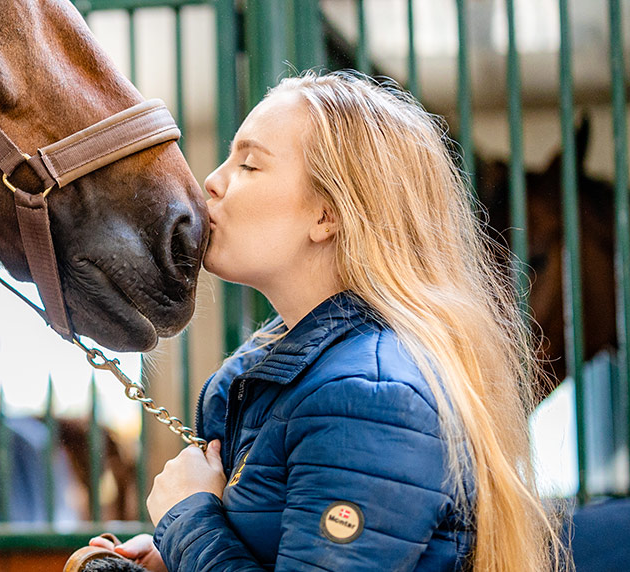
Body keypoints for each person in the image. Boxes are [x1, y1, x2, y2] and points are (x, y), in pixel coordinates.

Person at [92, 71, 558, 571]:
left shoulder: (371, 397)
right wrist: (172, 556)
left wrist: (188, 522)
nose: (213, 181)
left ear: (327, 215)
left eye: (249, 164)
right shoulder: (284, 370)